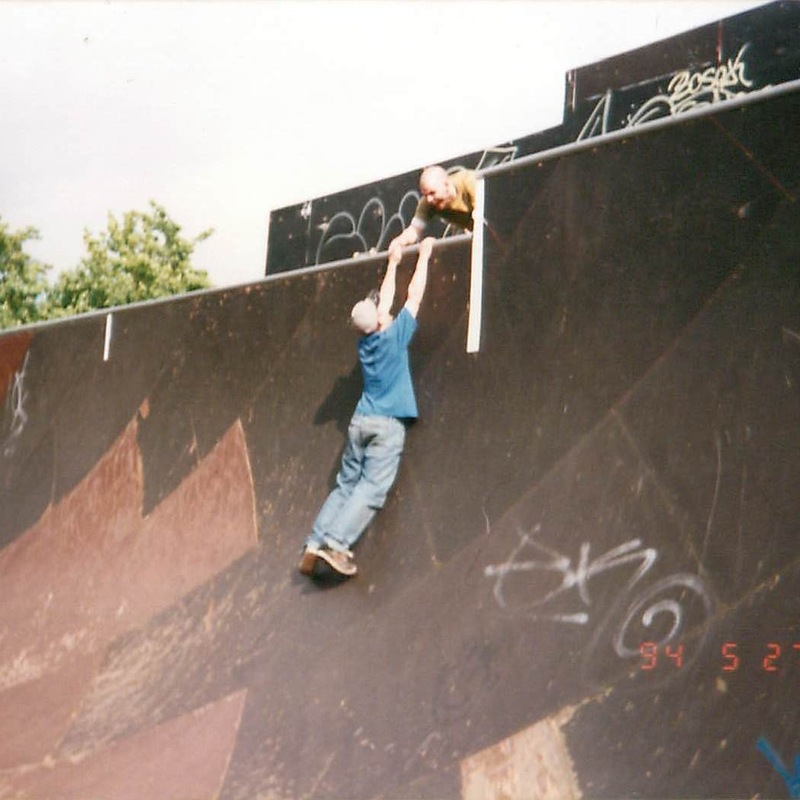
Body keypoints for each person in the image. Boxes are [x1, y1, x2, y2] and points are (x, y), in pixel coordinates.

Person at [299, 237, 435, 578]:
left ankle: (314, 542)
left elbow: (386, 302)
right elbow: (413, 296)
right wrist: (426, 255)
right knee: (371, 489)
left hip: (361, 421)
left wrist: (393, 263)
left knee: (346, 485)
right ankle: (336, 545)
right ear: (379, 320)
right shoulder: (394, 337)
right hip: (386, 426)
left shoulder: (367, 341)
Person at [387, 165, 476, 262]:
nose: (429, 199)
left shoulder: (469, 182)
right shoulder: (427, 203)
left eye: (432, 193)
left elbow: (484, 214)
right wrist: (398, 242)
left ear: (446, 185)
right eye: (425, 195)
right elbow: (414, 231)